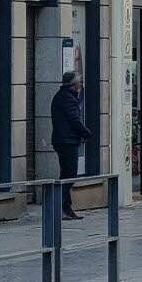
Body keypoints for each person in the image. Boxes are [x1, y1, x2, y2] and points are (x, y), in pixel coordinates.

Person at [51, 71, 92, 220]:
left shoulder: (63, 97)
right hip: (66, 141)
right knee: (69, 174)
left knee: (67, 174)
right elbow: (74, 120)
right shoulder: (67, 99)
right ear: (74, 84)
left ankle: (65, 207)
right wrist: (86, 133)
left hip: (64, 140)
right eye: (79, 82)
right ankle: (60, 205)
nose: (81, 85)